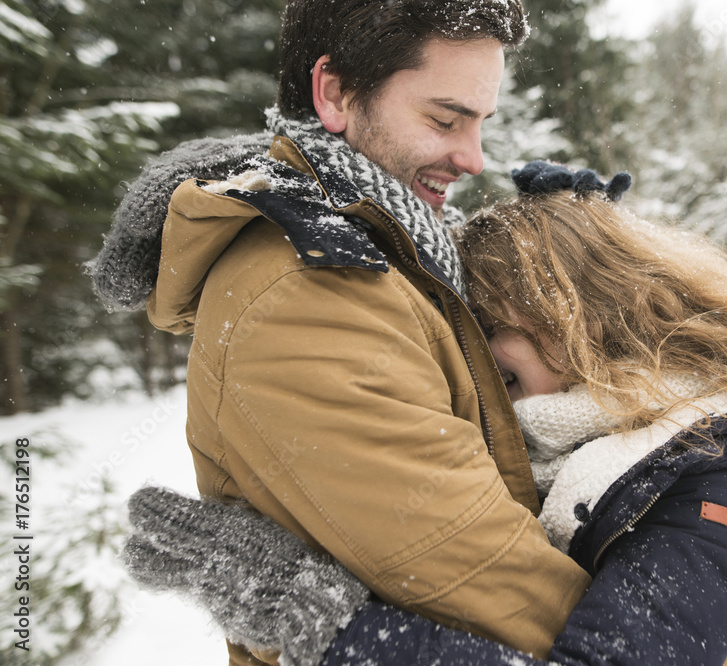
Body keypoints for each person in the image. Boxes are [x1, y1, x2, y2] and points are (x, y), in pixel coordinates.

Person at [124, 162, 727, 665]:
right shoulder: (538, 430)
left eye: (489, 322)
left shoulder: (723, 464)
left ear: (576, 308)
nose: (474, 354)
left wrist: (313, 618)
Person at [88, 2, 596, 664]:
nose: (473, 158)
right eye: (444, 119)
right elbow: (498, 589)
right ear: (334, 93)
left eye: (481, 124)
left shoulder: (389, 247)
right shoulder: (313, 292)